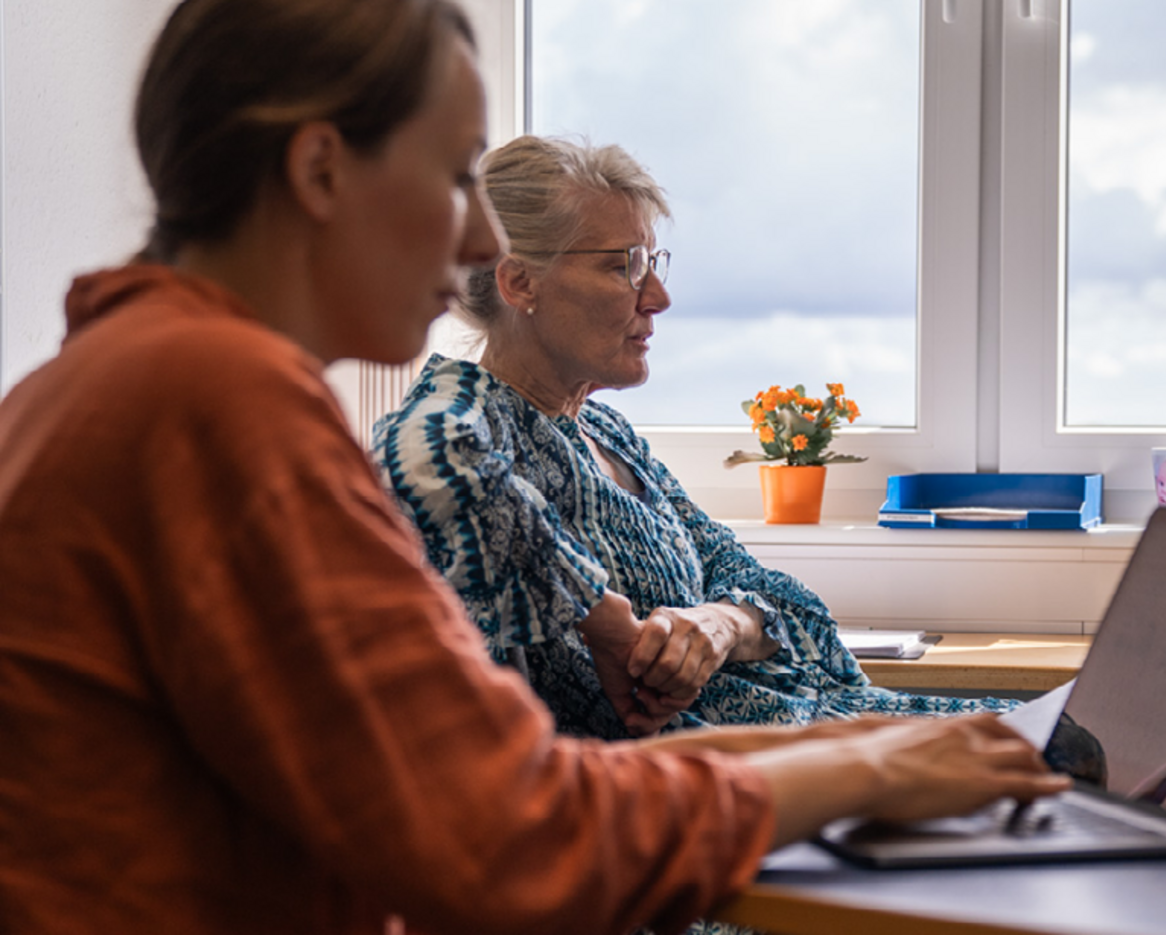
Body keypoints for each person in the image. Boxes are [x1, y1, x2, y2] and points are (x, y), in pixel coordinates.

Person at [0, 3, 1069, 933]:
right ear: (320, 168)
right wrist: (867, 764)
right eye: (456, 171)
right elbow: (505, 834)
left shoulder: (105, 381)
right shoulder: (218, 406)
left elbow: (453, 793)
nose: (475, 235)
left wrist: (863, 746)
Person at [373, 135, 1020, 740]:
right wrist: (603, 619)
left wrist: (721, 622)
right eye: (624, 266)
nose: (658, 296)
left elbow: (781, 599)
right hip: (763, 779)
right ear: (519, 281)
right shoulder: (472, 426)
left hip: (829, 724)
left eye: (652, 262)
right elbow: (420, 456)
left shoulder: (608, 434)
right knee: (1067, 752)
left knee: (1081, 731)